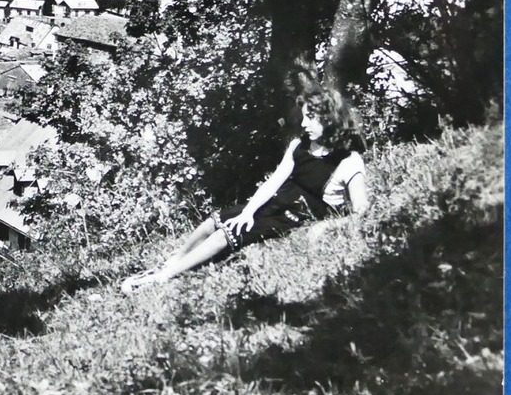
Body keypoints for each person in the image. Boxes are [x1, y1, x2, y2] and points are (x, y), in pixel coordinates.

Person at [120, 87, 369, 293]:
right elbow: (273, 182)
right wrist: (248, 211)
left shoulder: (348, 161)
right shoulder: (299, 146)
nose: (303, 123)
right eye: (303, 116)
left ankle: (165, 278)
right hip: (278, 204)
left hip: (297, 218)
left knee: (224, 234)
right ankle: (171, 262)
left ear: (328, 118)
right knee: (214, 221)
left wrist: (328, 226)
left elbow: (361, 210)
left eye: (310, 117)